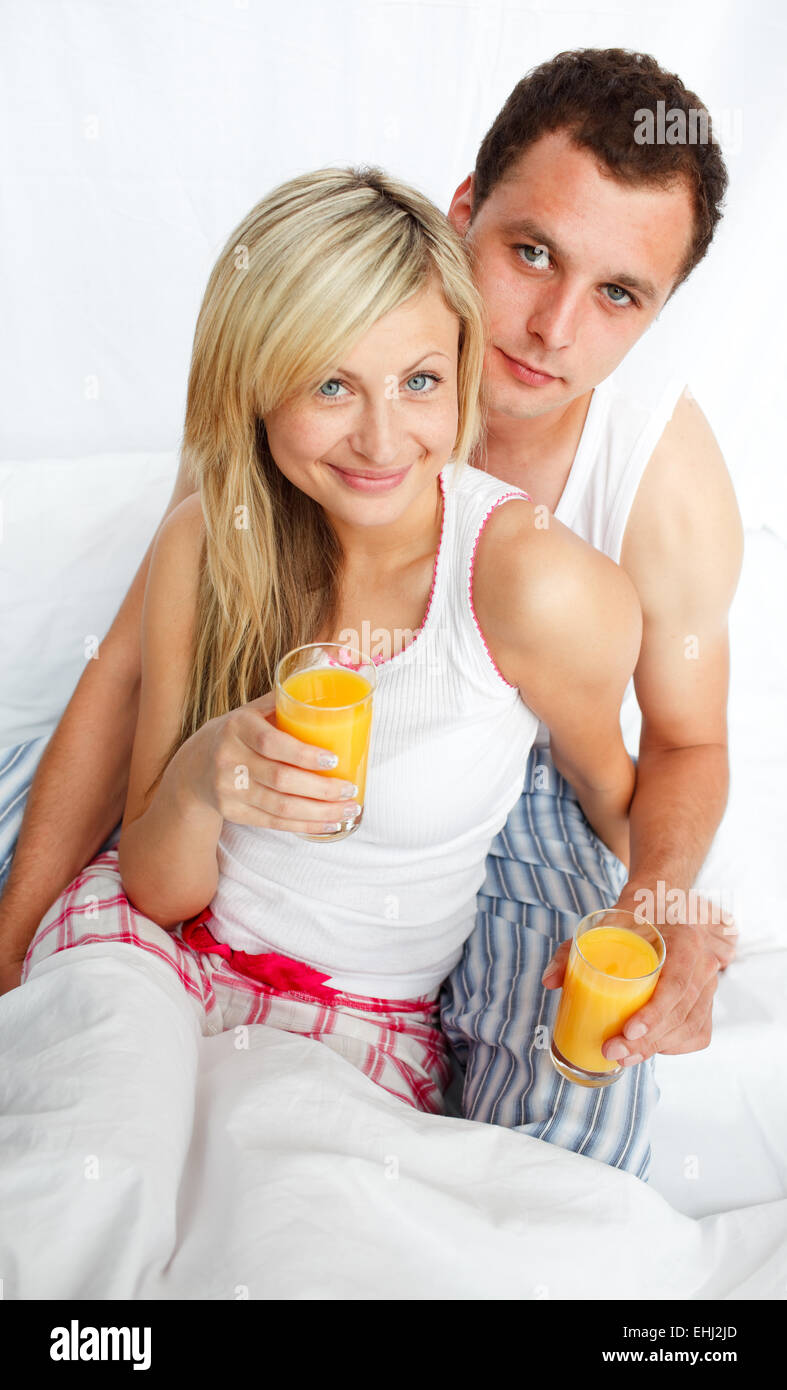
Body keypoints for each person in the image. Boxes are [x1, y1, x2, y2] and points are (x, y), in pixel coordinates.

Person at [9, 167, 643, 1115]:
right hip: (152, 956)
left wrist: (672, 912)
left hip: (360, 1023)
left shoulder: (535, 585)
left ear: (462, 373)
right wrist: (199, 778)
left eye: (419, 381)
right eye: (331, 385)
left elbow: (610, 791)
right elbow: (157, 891)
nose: (382, 441)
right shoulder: (205, 543)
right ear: (255, 385)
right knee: (88, 1149)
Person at [437, 49, 743, 1177]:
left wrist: (655, 898)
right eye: (531, 253)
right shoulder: (332, 341)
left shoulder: (665, 475)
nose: (553, 328)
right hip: (313, 706)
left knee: (571, 1134)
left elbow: (688, 741)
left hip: (539, 780)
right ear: (463, 213)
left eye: (618, 294)